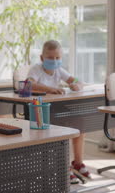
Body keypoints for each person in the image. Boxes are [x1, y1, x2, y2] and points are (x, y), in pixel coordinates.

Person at [27, 40, 87, 184]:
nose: (54, 61)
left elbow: (76, 79)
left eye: (57, 58)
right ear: (42, 58)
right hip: (40, 110)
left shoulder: (59, 70)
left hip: (57, 108)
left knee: (81, 126)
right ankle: (63, 167)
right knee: (61, 133)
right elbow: (29, 84)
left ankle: (77, 163)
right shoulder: (36, 69)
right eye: (50, 58)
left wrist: (77, 84)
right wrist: (50, 89)